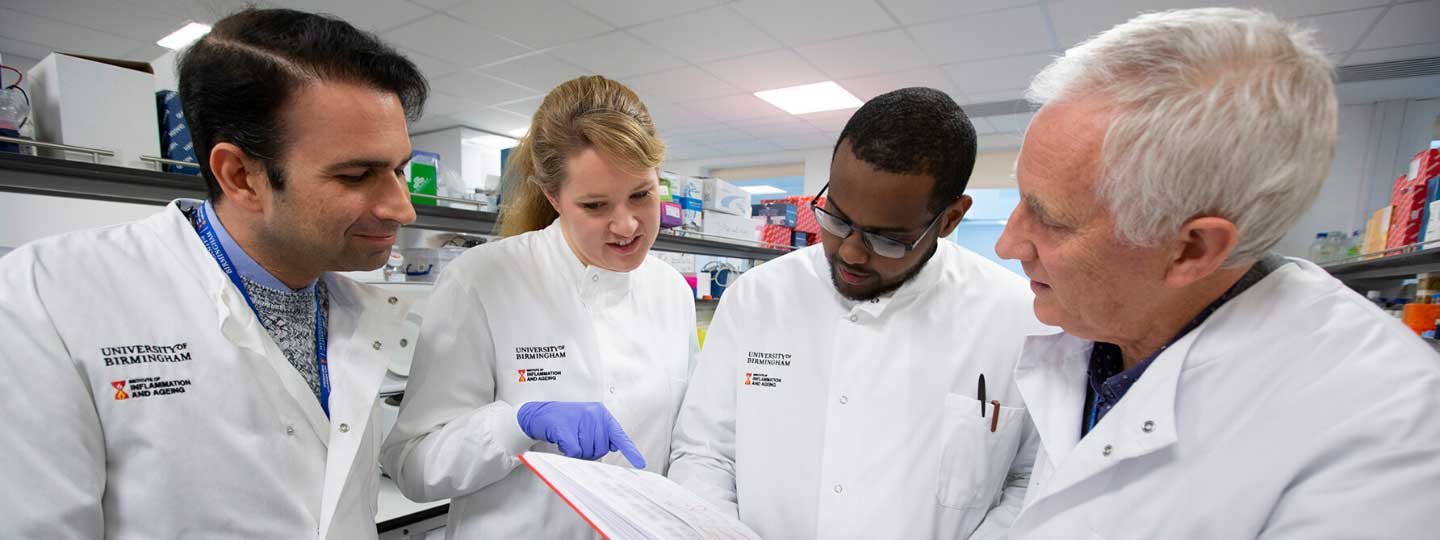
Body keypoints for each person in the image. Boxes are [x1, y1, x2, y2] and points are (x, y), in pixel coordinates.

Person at [994, 8, 1440, 538]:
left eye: (1050, 219)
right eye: (1021, 201)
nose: (1007, 244)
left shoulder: (1381, 438)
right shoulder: (1100, 320)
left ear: (1191, 250)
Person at [0, 8, 426, 539]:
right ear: (240, 175)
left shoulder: (351, 307)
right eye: (357, 174)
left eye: (399, 169)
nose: (402, 208)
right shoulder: (48, 295)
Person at [668, 87, 1048, 539]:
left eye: (886, 238)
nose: (849, 251)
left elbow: (1032, 481)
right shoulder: (758, 298)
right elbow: (704, 453)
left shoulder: (1019, 319)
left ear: (949, 219)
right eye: (837, 218)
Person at [380, 75, 697, 538]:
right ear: (553, 197)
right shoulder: (482, 279)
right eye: (595, 205)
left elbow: (687, 443)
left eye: (641, 195)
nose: (628, 225)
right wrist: (516, 424)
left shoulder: (670, 290)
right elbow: (413, 464)